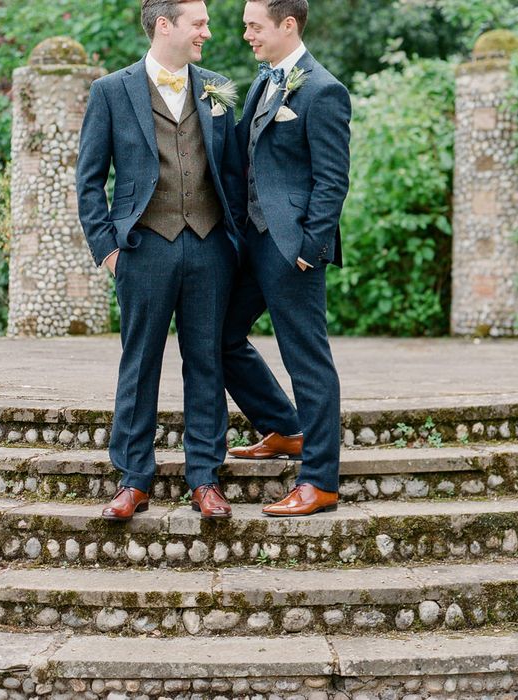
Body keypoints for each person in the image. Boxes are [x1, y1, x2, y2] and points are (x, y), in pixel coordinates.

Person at [76, 0, 246, 521]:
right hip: (143, 247)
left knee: (206, 362)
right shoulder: (110, 90)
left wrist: (233, 242)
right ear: (165, 25)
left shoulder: (216, 88)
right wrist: (108, 250)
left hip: (209, 245)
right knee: (140, 361)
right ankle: (133, 478)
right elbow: (89, 181)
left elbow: (235, 175)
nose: (208, 32)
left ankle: (204, 478)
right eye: (200, 23)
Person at [223, 0, 351, 516]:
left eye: (255, 26)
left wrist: (309, 250)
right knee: (219, 336)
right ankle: (283, 425)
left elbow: (333, 179)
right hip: (251, 243)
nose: (247, 34)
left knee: (307, 360)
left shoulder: (323, 90)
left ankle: (320, 481)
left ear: (288, 25)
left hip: (291, 247)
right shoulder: (263, 81)